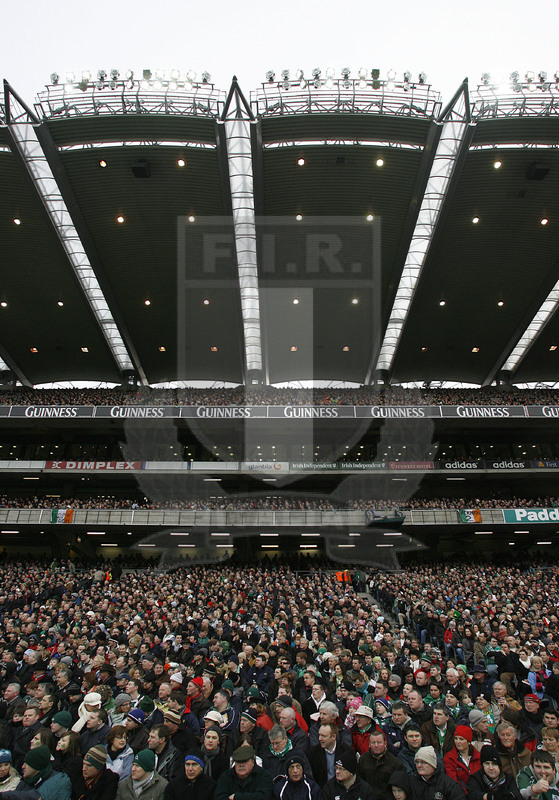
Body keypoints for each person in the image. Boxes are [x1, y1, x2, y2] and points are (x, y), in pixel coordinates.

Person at [7, 744, 72, 800]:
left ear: (37, 766)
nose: (23, 767)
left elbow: (38, 796)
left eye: (27, 764)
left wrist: (5, 795)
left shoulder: (59, 781)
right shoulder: (25, 782)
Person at [358, 728, 401, 800]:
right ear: (369, 744)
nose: (376, 745)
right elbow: (359, 782)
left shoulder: (394, 762)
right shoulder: (363, 759)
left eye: (379, 742)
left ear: (385, 743)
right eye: (373, 743)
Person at [307, 722, 353, 788]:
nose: (320, 739)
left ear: (334, 736)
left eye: (324, 736)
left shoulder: (346, 751)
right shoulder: (312, 753)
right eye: (319, 735)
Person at [443, 725, 481, 791]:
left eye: (461, 739)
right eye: (456, 738)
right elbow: (453, 782)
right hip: (459, 794)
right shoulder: (449, 758)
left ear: (468, 741)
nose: (458, 742)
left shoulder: (478, 757)